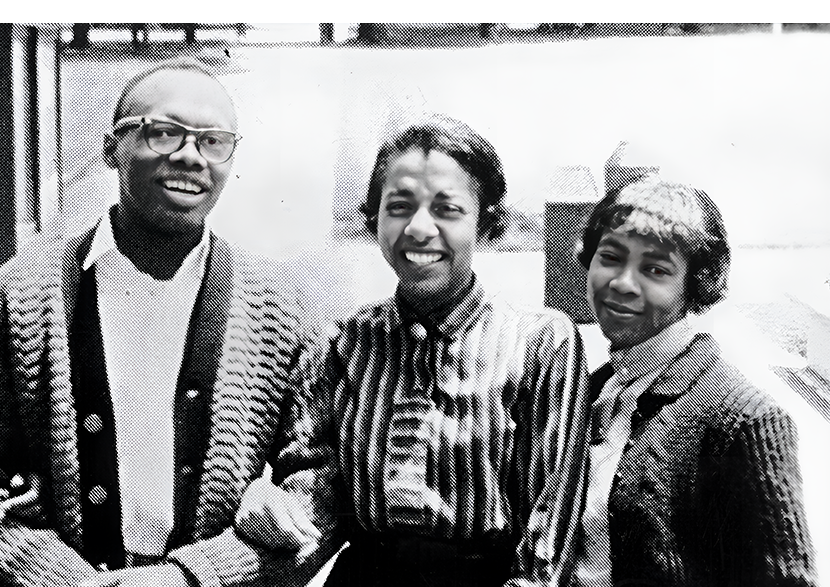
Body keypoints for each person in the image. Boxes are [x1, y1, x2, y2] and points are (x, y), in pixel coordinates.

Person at [0, 59, 326, 587]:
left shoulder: (280, 305)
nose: (190, 157)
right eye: (164, 133)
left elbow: (318, 487)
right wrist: (64, 582)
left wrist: (197, 577)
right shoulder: (26, 292)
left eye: (213, 141)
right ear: (110, 150)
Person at [235, 119, 591, 587]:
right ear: (373, 219)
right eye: (399, 207)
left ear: (487, 223)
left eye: (448, 209)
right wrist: (271, 505)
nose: (420, 229)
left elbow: (548, 539)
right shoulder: (344, 341)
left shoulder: (541, 341)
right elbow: (313, 486)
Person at [571, 176, 817, 587]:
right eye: (610, 257)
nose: (622, 283)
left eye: (654, 269)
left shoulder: (745, 421)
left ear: (694, 285)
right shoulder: (594, 389)